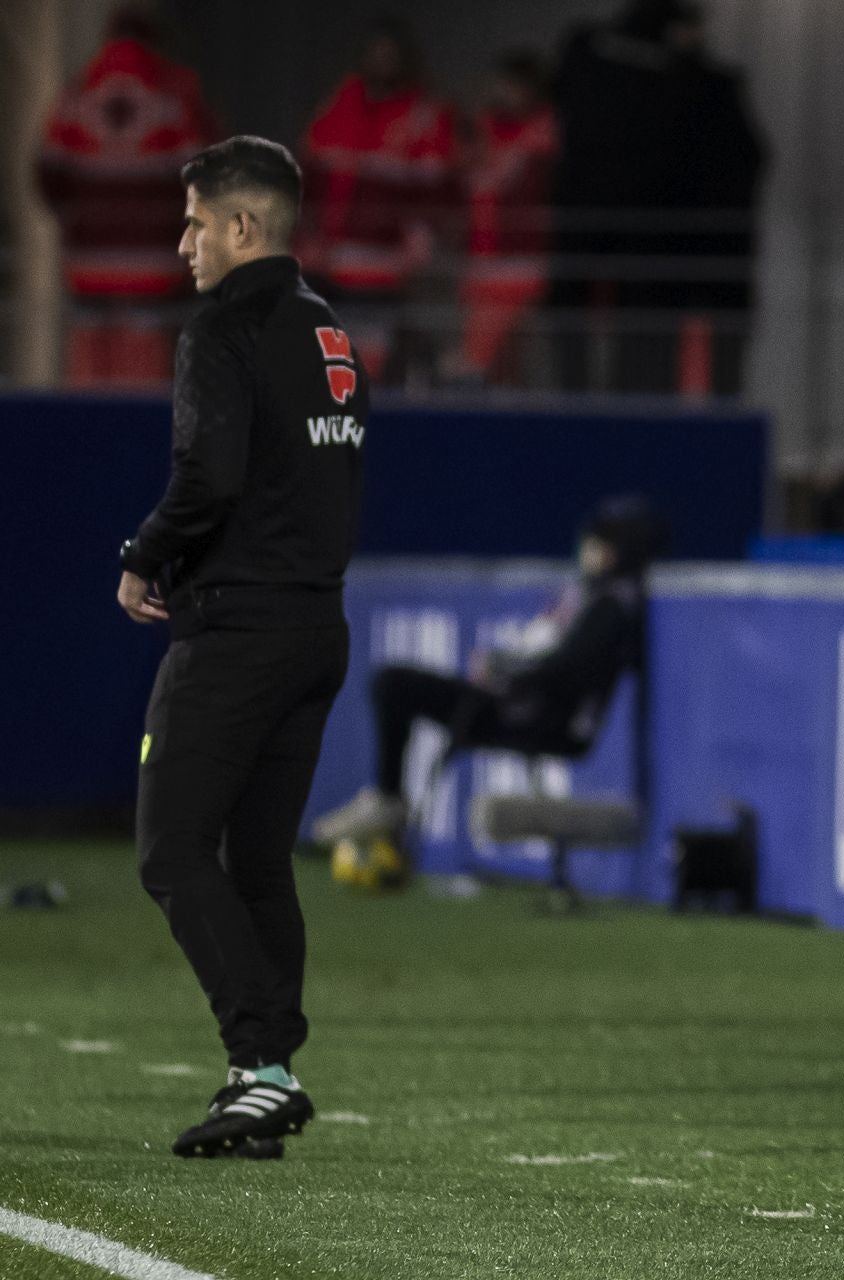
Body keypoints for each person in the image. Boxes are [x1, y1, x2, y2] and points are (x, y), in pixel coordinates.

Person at [119, 137, 367, 1159]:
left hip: (241, 627)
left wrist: (144, 555)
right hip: (318, 626)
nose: (183, 243)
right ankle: (263, 1080)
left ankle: (260, 1062)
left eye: (194, 222)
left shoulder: (225, 325)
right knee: (258, 861)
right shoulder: (327, 329)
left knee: (172, 848)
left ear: (242, 226)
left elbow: (209, 474)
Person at [313, 499, 658, 845]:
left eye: (602, 543)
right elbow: (546, 655)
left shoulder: (613, 607)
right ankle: (388, 802)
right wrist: (506, 664)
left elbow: (563, 667)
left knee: (394, 685)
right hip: (516, 704)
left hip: (533, 717)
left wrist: (506, 671)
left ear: (620, 553)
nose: (589, 549)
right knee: (393, 684)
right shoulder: (588, 595)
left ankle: (390, 804)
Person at [549, 0, 764, 394]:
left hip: (681, 245)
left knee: (656, 350)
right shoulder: (606, 63)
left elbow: (750, 158)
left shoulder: (708, 84)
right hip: (632, 233)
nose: (698, 37)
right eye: (689, 27)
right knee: (627, 340)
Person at [36, 4, 218, 386]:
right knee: (142, 386)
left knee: (88, 381)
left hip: (89, 262)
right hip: (153, 265)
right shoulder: (174, 94)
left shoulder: (79, 92)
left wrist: (82, 220)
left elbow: (48, 174)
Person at [300, 19, 458, 381]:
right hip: (326, 260)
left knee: (370, 365)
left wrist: (419, 245)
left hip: (382, 263)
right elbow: (311, 178)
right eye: (375, 55)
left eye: (389, 57)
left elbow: (437, 193)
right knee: (321, 363)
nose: (381, 64)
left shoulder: (423, 117)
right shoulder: (338, 106)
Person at [457, 51, 558, 384]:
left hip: (528, 262)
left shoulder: (547, 133)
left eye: (515, 86)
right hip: (484, 260)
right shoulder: (479, 131)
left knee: (522, 362)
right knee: (479, 362)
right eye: (502, 85)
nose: (505, 93)